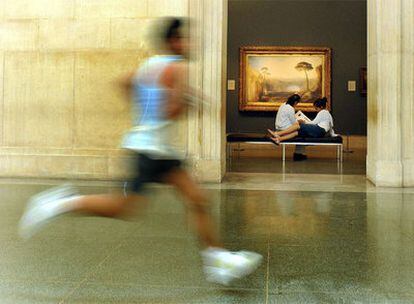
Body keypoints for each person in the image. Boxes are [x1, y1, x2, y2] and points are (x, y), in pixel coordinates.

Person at [18, 17, 262, 286]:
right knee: (123, 207)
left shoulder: (153, 64)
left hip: (159, 150)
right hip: (149, 151)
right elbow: (170, 110)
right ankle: (56, 203)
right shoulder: (178, 68)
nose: (191, 43)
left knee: (197, 198)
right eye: (186, 38)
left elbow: (124, 82)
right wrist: (189, 105)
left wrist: (148, 111)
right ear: (175, 41)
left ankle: (218, 260)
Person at [268, 97, 334, 144]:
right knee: (296, 133)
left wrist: (304, 121)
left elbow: (313, 123)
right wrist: (333, 134)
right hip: (320, 132)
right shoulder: (327, 113)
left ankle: (277, 134)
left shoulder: (322, 112)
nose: (316, 110)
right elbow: (331, 125)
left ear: (321, 107)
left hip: (319, 130)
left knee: (298, 125)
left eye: (316, 108)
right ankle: (279, 139)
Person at [272, 94, 307, 161]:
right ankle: (298, 154)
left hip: (279, 128)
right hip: (284, 128)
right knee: (302, 132)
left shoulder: (283, 105)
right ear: (295, 102)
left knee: (299, 129)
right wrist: (300, 121)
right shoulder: (290, 108)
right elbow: (294, 122)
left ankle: (298, 154)